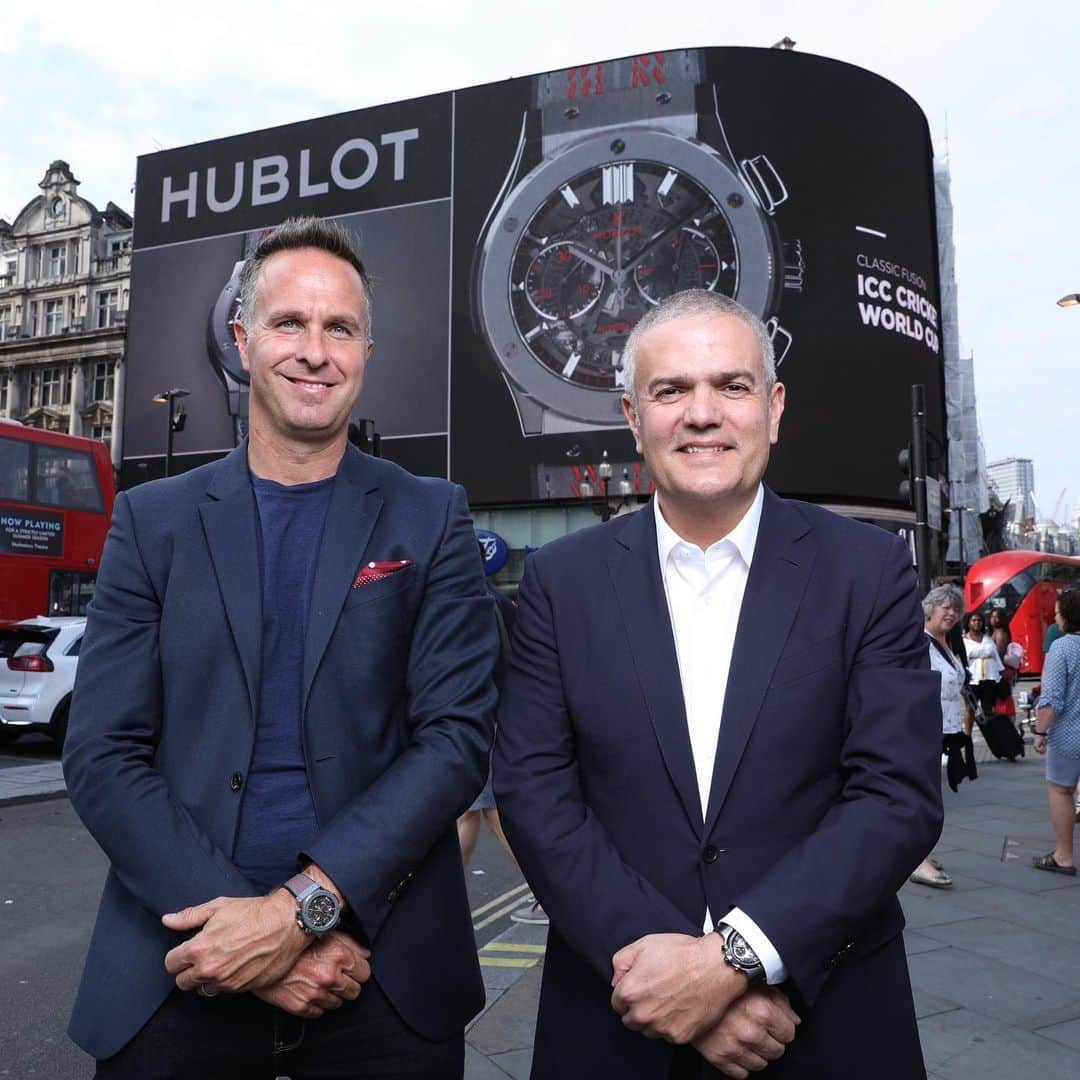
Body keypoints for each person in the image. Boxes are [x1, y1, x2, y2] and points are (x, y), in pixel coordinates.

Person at [63, 216, 499, 1078]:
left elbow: (454, 741)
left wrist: (302, 911)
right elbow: (103, 751)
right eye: (288, 324)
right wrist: (244, 929)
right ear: (242, 340)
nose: (315, 350)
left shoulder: (431, 515)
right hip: (180, 964)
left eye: (339, 327)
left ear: (367, 348)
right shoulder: (155, 522)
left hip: (383, 979)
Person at [493, 289, 943, 1079]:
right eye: (671, 391)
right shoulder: (560, 582)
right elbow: (534, 791)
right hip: (615, 1015)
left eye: (731, 386)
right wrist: (662, 974)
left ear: (772, 408)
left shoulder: (866, 572)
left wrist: (732, 962)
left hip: (826, 1019)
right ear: (634, 418)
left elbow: (896, 796)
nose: (702, 413)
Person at [455, 558, 548, 925]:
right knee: (473, 812)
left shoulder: (471, 602)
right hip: (501, 714)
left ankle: (546, 890)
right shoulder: (497, 599)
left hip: (482, 718)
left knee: (488, 813)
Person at [911, 584, 975, 890]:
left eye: (956, 609)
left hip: (941, 731)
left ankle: (919, 853)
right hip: (920, 730)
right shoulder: (918, 643)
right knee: (921, 797)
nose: (951, 613)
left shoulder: (946, 644)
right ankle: (917, 860)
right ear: (930, 608)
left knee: (929, 796)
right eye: (945, 607)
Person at [1032, 587, 1080, 876]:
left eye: (1058, 611)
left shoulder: (1062, 647)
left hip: (1069, 735)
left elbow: (1051, 699)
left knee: (1061, 790)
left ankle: (1063, 856)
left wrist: (1039, 732)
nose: (1055, 615)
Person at [962, 611, 1005, 716]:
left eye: (979, 620)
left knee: (988, 708)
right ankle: (967, 733)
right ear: (968, 623)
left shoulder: (988, 639)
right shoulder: (963, 641)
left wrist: (1001, 673)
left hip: (989, 678)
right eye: (974, 620)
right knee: (970, 709)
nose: (977, 623)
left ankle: (990, 731)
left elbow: (996, 658)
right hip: (972, 679)